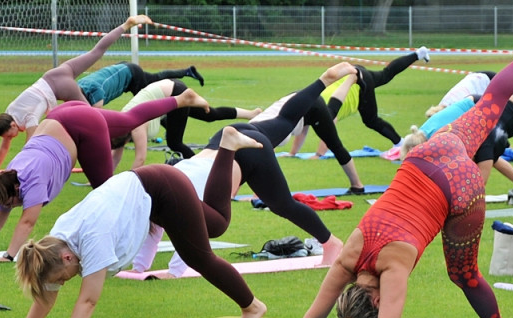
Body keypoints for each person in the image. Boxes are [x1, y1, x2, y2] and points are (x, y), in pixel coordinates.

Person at [257, 30, 513, 318]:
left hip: (461, 190)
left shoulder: (393, 265)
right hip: (432, 152)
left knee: (464, 274)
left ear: (373, 300)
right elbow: (317, 312)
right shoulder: (348, 258)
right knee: (492, 100)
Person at [1, 126, 267, 318]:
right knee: (216, 224)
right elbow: (45, 297)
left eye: (62, 278)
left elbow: (89, 299)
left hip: (162, 187)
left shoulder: (93, 238)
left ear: (66, 258)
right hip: (150, 191)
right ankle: (227, 148)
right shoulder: (56, 243)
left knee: (200, 254)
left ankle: (252, 307)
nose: (63, 283)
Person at [157, 63, 359, 271]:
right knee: (284, 120)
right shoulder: (176, 177)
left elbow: (195, 229)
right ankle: (323, 80)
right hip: (227, 136)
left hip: (242, 152)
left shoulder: (179, 192)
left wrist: (174, 271)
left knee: (283, 205)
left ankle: (331, 243)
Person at [0, 93, 208, 263]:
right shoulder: (9, 177)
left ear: (16, 188)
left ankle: (146, 222)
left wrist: (7, 256)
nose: (13, 207)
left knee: (107, 192)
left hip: (79, 127)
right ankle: (181, 99)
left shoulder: (30, 181)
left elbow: (27, 223)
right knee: (128, 120)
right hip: (62, 115)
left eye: (13, 202)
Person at [0, 15, 152, 169]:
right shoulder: (8, 113)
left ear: (12, 125)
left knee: (96, 123)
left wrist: (15, 171)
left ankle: (121, 133)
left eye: (10, 136)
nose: (11, 138)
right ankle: (126, 25)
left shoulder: (27, 119)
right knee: (96, 52)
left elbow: (31, 147)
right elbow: (4, 146)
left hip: (64, 88)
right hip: (56, 74)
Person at [110, 79, 261, 169]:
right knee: (210, 115)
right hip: (167, 92)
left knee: (175, 142)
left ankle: (201, 167)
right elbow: (115, 156)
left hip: (174, 93)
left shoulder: (136, 127)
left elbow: (140, 159)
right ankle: (251, 114)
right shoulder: (120, 125)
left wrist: (129, 184)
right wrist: (102, 180)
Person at [314, 48, 430, 154]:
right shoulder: (314, 98)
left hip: (359, 82)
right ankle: (418, 54)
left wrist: (319, 155)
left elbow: (329, 128)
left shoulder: (322, 106)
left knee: (371, 120)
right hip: (355, 71)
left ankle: (399, 143)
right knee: (386, 74)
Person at [254, 84, 366, 193]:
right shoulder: (256, 128)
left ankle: (357, 185)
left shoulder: (265, 131)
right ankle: (350, 81)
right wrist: (292, 153)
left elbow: (268, 162)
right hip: (299, 102)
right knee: (312, 120)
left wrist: (258, 195)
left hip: (313, 105)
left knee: (334, 144)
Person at [77, 60, 204, 108]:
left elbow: (95, 117)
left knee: (144, 106)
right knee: (156, 78)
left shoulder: (94, 92)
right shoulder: (80, 85)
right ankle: (186, 71)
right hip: (126, 68)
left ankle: (166, 123)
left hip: (131, 75)